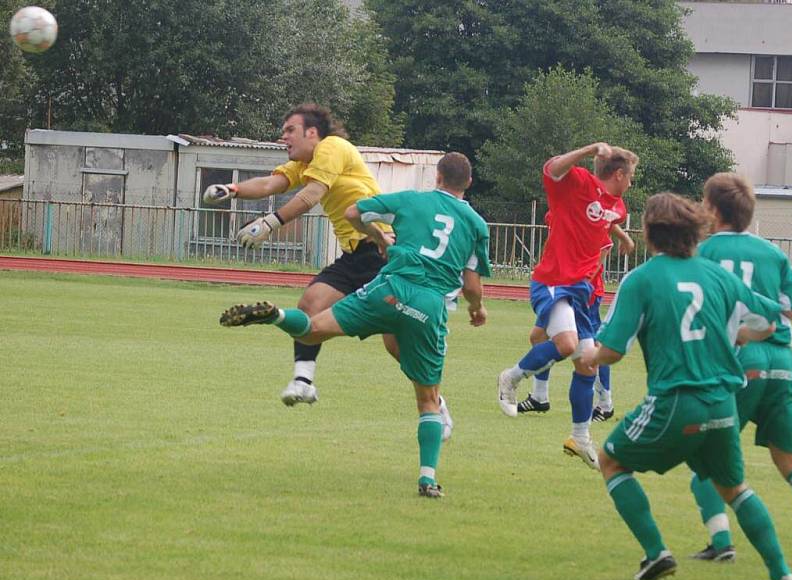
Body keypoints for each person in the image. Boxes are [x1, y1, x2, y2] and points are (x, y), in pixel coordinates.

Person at [218, 152, 491, 498]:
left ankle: (277, 316)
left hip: (387, 289)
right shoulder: (476, 225)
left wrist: (378, 236)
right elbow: (471, 286)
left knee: (313, 329)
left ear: (436, 177)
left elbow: (352, 213)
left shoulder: (410, 199)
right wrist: (477, 309)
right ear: (467, 183)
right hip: (429, 306)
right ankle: (427, 479)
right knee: (428, 400)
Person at [581, 192, 792, 580]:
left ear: (649, 233)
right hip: (723, 403)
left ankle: (656, 552)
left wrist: (590, 357)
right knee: (735, 488)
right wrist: (738, 335)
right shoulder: (718, 276)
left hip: (677, 399)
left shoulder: (641, 279)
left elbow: (612, 350)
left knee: (612, 462)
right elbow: (772, 319)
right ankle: (781, 572)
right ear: (695, 231)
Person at [203, 103, 454, 438]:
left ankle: (438, 406)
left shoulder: (332, 148)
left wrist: (269, 222)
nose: (284, 137)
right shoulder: (305, 162)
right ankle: (303, 381)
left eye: (290, 129)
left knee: (397, 345)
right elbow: (269, 184)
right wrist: (232, 190)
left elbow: (311, 196)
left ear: (312, 133)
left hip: (382, 251)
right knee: (311, 304)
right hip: (354, 256)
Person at [496, 142, 638, 470]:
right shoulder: (576, 182)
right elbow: (552, 167)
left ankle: (580, 437)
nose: (631, 182)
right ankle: (511, 377)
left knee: (588, 362)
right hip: (554, 281)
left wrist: (622, 237)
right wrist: (590, 149)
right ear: (618, 174)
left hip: (584, 293)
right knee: (565, 344)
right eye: (630, 177)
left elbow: (605, 216)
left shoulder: (618, 208)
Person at [687, 173, 792, 563]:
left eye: (704, 202)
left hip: (741, 358)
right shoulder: (772, 253)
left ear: (714, 210)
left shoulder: (704, 253)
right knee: (789, 460)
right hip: (783, 361)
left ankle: (721, 544)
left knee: (705, 450)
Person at [518, 223, 634, 421]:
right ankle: (539, 396)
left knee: (591, 347)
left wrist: (581, 284)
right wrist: (625, 237)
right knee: (538, 337)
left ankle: (605, 403)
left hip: (581, 293)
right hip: (560, 287)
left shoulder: (581, 210)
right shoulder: (563, 208)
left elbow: (603, 246)